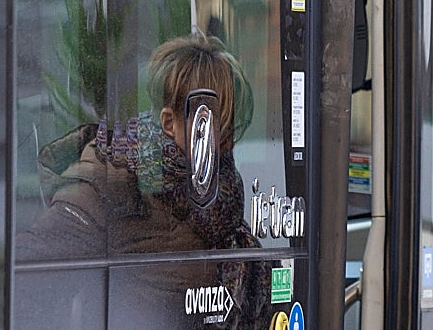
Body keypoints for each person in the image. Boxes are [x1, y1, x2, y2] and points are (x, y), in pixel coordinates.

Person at [17, 30, 257, 258]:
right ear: (169, 123)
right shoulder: (111, 184)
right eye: (212, 127)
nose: (226, 144)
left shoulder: (223, 197)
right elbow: (31, 265)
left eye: (231, 130)